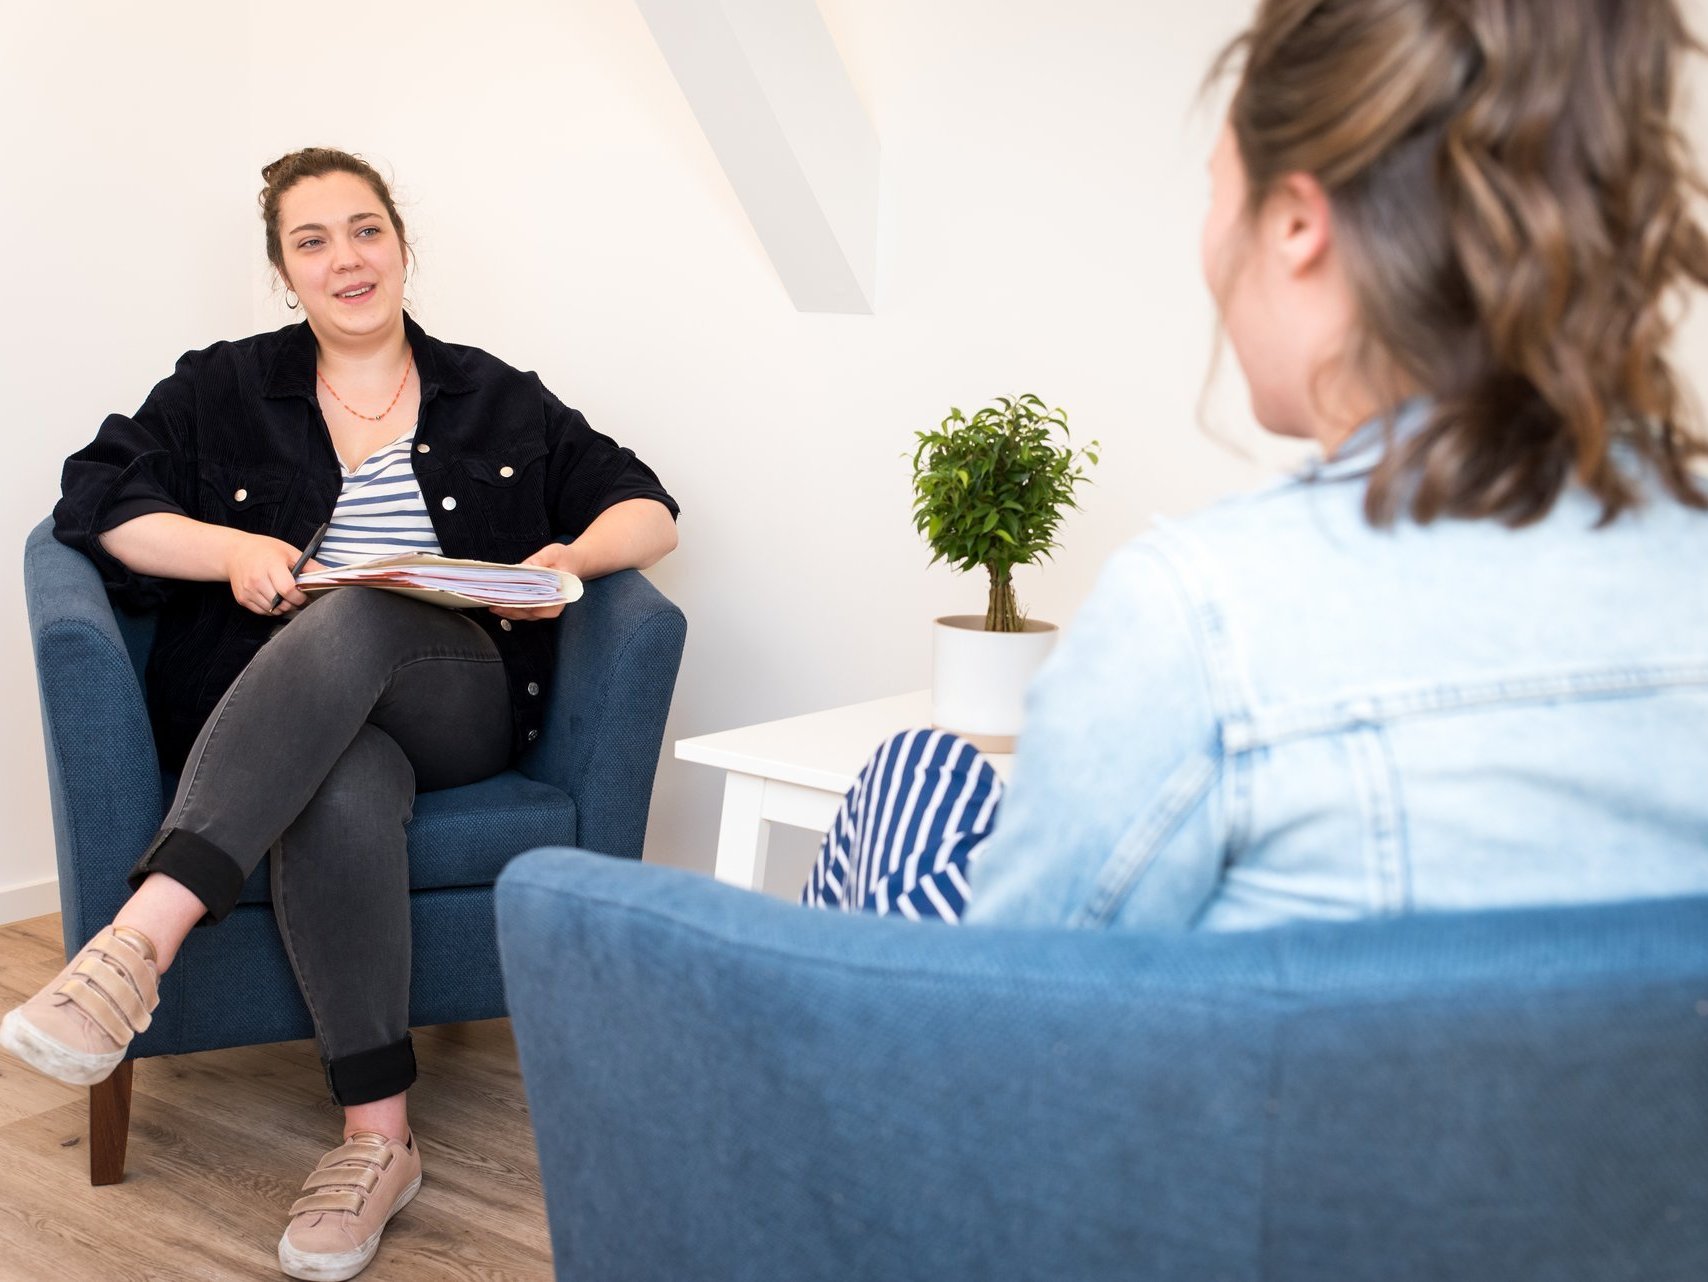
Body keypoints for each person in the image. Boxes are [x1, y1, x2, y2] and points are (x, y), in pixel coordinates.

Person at [804, 0, 1708, 928]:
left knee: (917, 774)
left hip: (1170, 1064)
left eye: (1216, 190)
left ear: (1296, 224)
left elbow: (1013, 1027)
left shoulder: (1199, 621)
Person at [1, 147, 677, 1281]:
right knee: (344, 778)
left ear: (402, 246)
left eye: (364, 230)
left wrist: (566, 557)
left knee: (364, 612)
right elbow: (96, 499)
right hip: (297, 719)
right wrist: (230, 552)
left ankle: (139, 943)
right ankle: (379, 1139)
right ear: (284, 271)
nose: (345, 259)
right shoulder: (224, 387)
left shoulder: (493, 394)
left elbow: (647, 509)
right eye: (312, 241)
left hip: (457, 695)